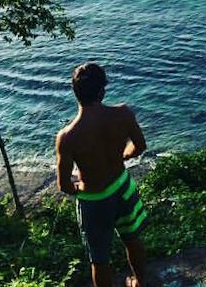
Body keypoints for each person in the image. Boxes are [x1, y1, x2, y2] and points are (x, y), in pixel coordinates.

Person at [56, 63, 148, 287]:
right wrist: (122, 156)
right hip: (122, 186)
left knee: (99, 259)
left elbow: (64, 185)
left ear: (75, 92)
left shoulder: (67, 137)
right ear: (102, 91)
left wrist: (78, 187)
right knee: (132, 239)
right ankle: (140, 282)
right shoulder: (123, 113)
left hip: (94, 200)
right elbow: (139, 146)